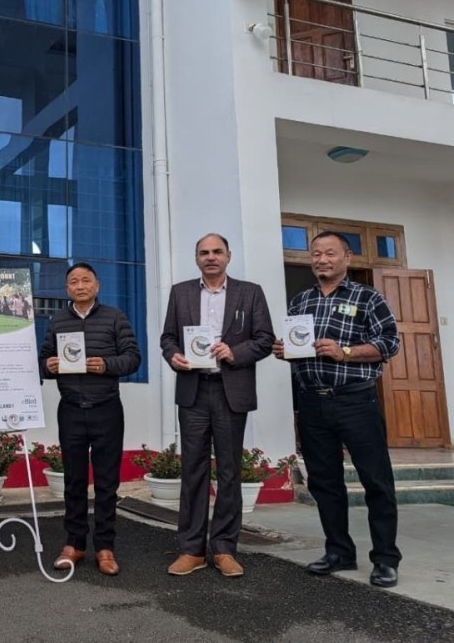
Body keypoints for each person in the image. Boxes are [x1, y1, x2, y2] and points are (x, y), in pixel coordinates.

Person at [273, 231, 401, 588]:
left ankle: (386, 559)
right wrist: (285, 350)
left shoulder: (367, 297)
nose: (322, 260)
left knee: (376, 481)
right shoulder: (301, 301)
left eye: (330, 253)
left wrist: (344, 351)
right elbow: (299, 347)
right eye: (316, 254)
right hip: (314, 402)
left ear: (347, 257)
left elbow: (389, 343)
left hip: (356, 400)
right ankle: (339, 552)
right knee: (325, 483)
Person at [160, 233, 274, 578]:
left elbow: (265, 339)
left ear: (228, 256)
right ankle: (191, 549)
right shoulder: (180, 292)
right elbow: (167, 337)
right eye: (204, 252)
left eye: (217, 252)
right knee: (192, 470)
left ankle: (224, 549)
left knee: (228, 472)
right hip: (194, 391)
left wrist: (234, 353)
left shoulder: (249, 292)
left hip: (230, 391)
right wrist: (173, 356)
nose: (211, 257)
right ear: (196, 258)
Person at [39, 263, 142, 576]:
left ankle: (105, 547)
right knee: (73, 480)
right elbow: (42, 360)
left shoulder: (115, 317)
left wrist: (107, 364)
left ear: (97, 285)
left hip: (106, 408)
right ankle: (74, 543)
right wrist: (50, 365)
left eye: (86, 280)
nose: (80, 285)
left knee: (107, 482)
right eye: (73, 281)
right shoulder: (58, 320)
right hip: (70, 407)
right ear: (67, 289)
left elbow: (133, 357)